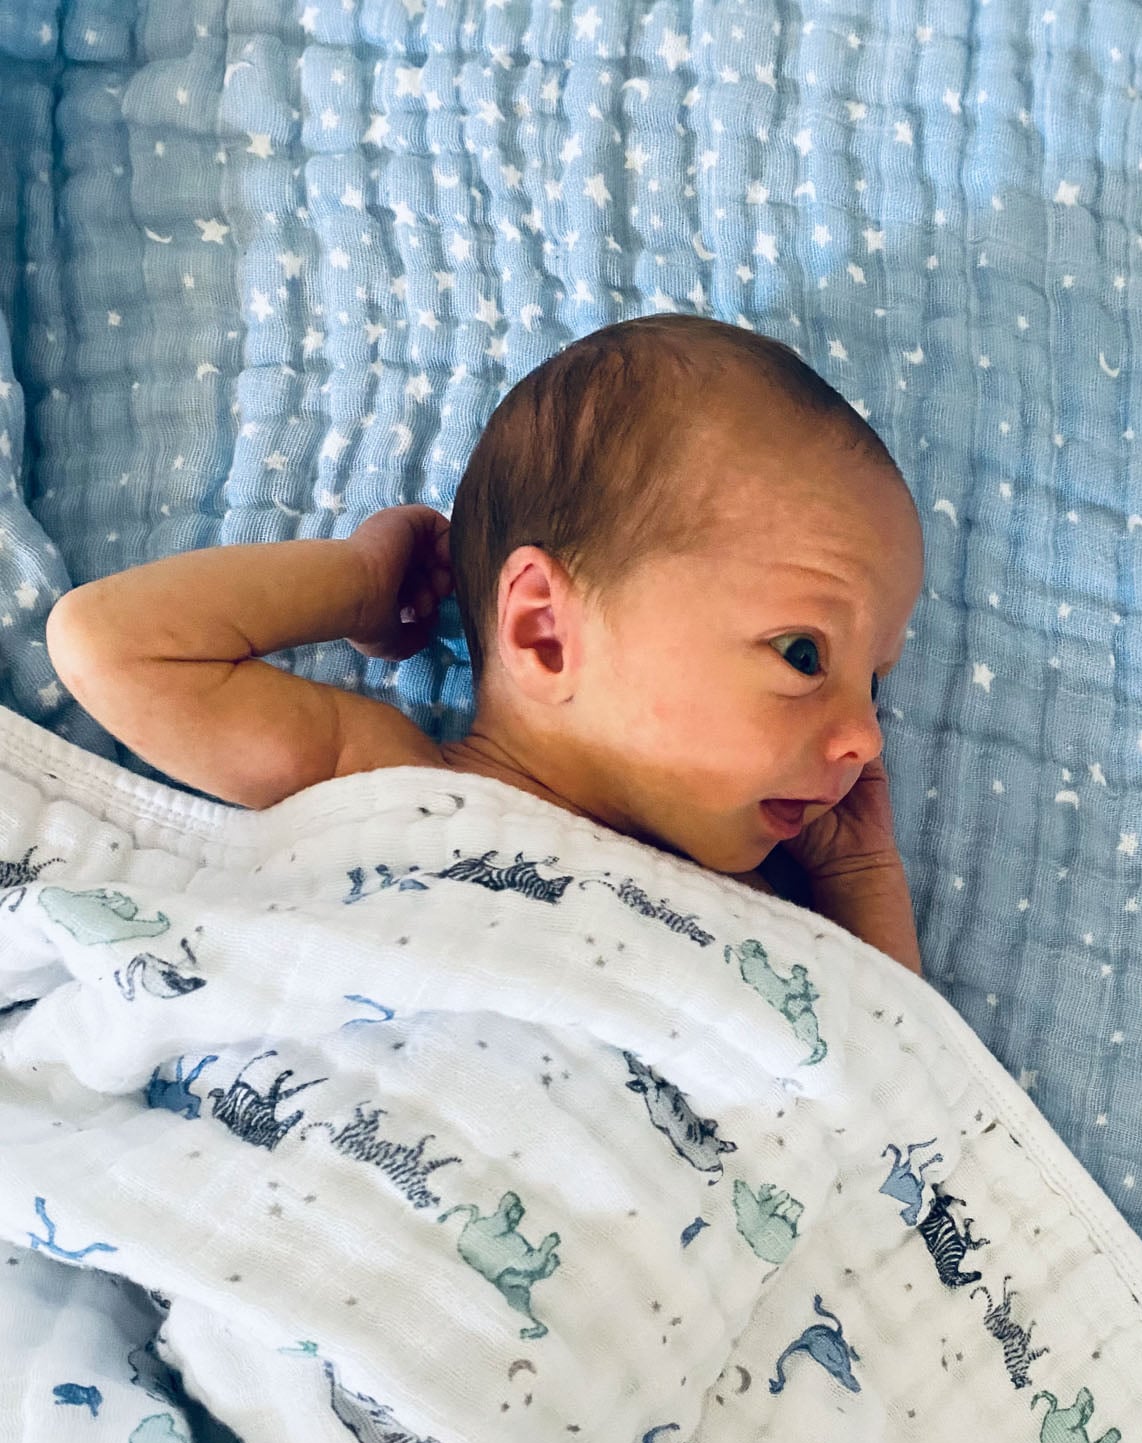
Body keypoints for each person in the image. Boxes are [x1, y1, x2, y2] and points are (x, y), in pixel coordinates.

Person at [44, 315, 924, 973]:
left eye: (874, 684)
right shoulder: (392, 781)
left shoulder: (763, 925)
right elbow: (111, 644)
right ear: (544, 631)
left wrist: (861, 877)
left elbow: (899, 1088)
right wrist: (361, 582)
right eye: (804, 654)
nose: (866, 737)